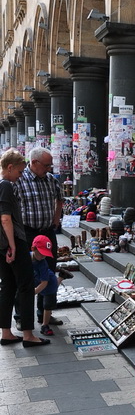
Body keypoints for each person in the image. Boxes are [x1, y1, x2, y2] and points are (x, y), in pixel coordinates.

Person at [0, 149, 49, 347]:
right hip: (12, 242)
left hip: (2, 244)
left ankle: (6, 333)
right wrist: (13, 245)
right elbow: (5, 218)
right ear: (10, 168)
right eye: (20, 172)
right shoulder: (6, 185)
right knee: (26, 286)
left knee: (8, 286)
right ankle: (28, 335)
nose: (21, 176)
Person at [14, 146, 63, 329]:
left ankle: (45, 315)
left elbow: (60, 199)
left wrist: (55, 221)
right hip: (27, 233)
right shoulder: (19, 180)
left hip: (47, 232)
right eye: (46, 165)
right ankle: (21, 317)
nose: (49, 168)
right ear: (34, 163)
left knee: (48, 273)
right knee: (25, 275)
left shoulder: (51, 180)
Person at [31, 235, 61, 337]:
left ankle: (45, 325)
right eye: (41, 253)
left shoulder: (43, 263)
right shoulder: (27, 257)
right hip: (40, 282)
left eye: (45, 254)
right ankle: (61, 277)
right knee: (42, 301)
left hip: (49, 284)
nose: (43, 257)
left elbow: (45, 283)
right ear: (33, 249)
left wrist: (34, 292)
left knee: (47, 306)